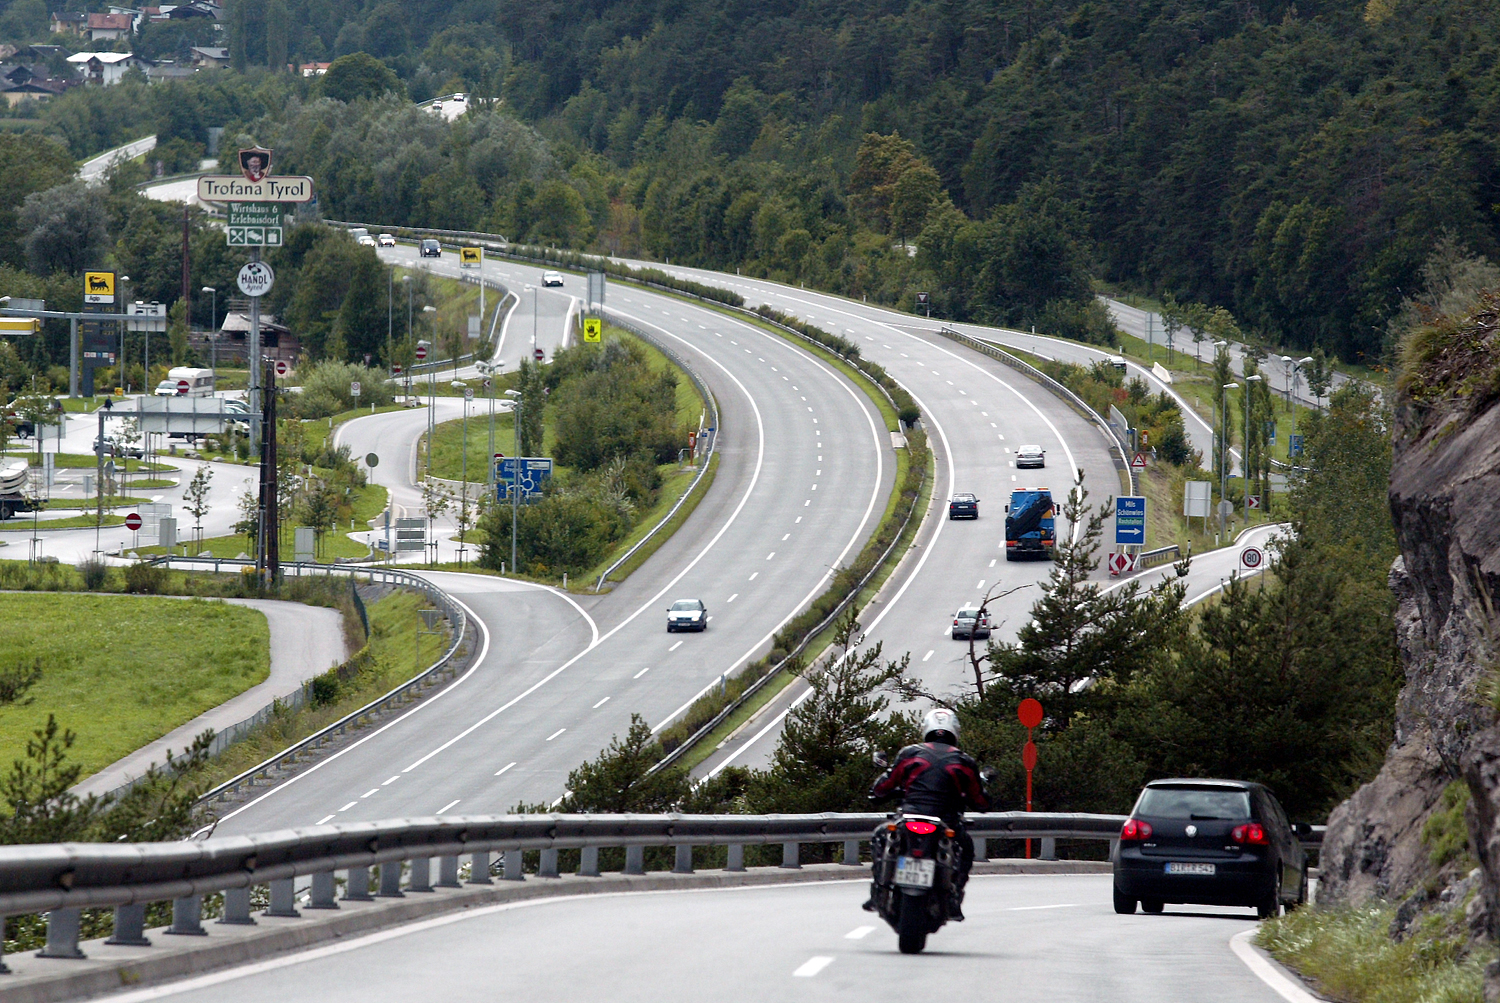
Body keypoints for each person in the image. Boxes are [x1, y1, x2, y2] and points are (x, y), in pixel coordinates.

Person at [865, 708, 990, 920]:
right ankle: (954, 897)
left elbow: (884, 784)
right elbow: (980, 800)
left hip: (910, 816)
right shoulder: (964, 761)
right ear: (955, 731)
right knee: (966, 848)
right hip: (946, 822)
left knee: (880, 835)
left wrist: (878, 793)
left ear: (926, 728)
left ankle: (879, 890)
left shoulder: (910, 753)